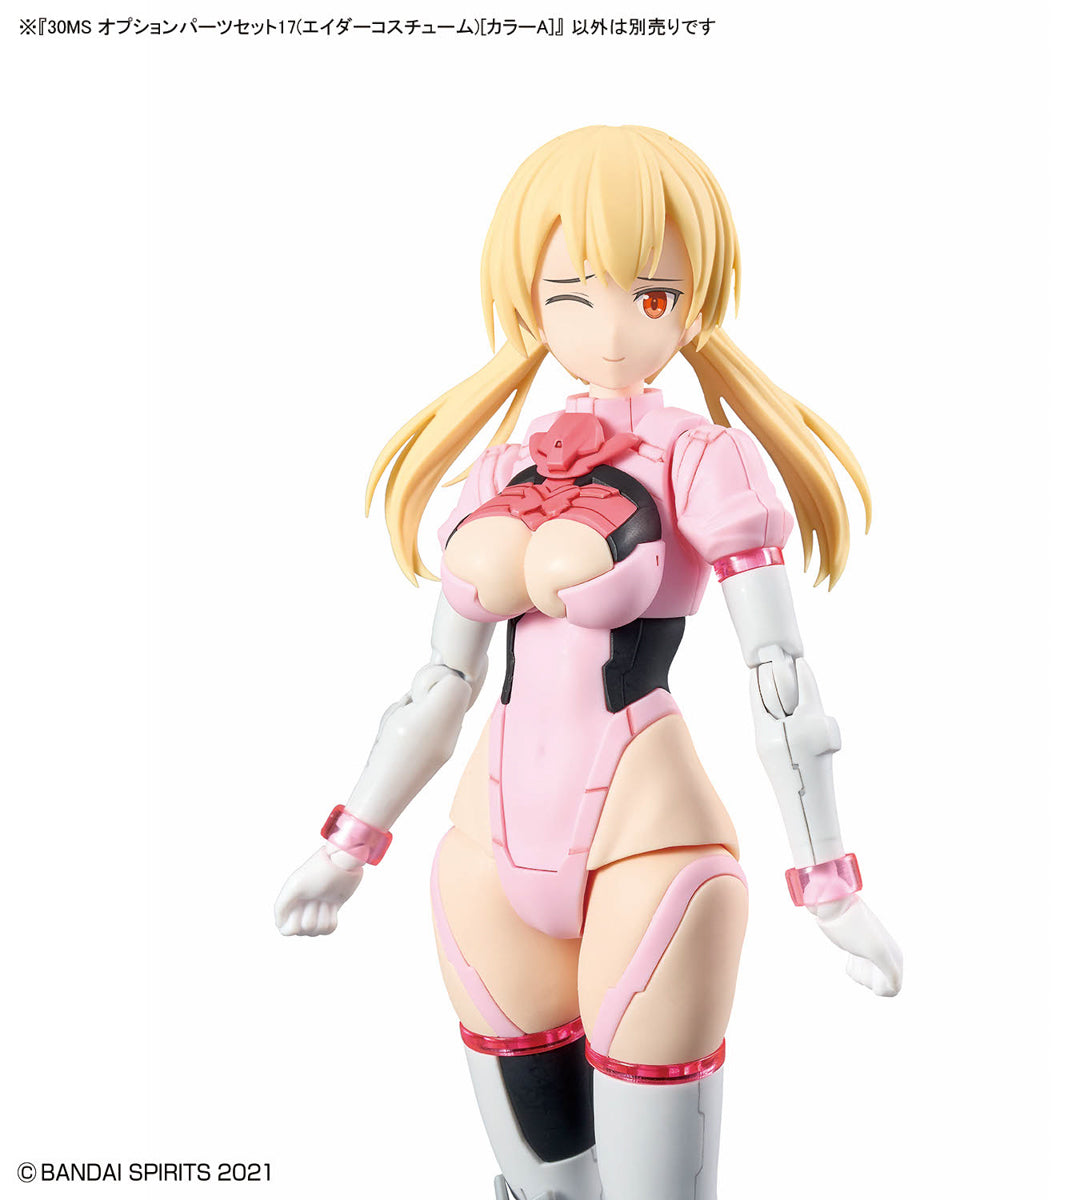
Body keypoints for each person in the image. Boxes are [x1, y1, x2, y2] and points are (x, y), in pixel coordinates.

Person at [275, 124, 902, 1200]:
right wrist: (350, 841)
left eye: (650, 296)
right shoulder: (502, 467)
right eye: (571, 294)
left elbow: (780, 680)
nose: (610, 328)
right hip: (485, 852)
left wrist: (828, 882)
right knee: (540, 1185)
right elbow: (441, 682)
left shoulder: (703, 457)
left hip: (651, 848)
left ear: (694, 302)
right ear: (529, 299)